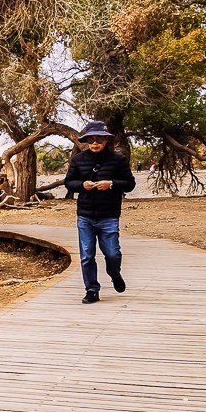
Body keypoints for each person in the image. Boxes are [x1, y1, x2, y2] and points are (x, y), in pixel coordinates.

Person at [63, 121, 136, 304]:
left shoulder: (118, 160)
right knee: (87, 255)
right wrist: (82, 185)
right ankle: (92, 290)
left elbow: (130, 184)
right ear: (86, 140)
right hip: (85, 215)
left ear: (106, 140)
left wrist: (111, 184)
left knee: (112, 253)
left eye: (99, 139)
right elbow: (69, 182)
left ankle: (114, 273)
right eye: (91, 139)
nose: (95, 143)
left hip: (109, 215)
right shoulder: (79, 159)